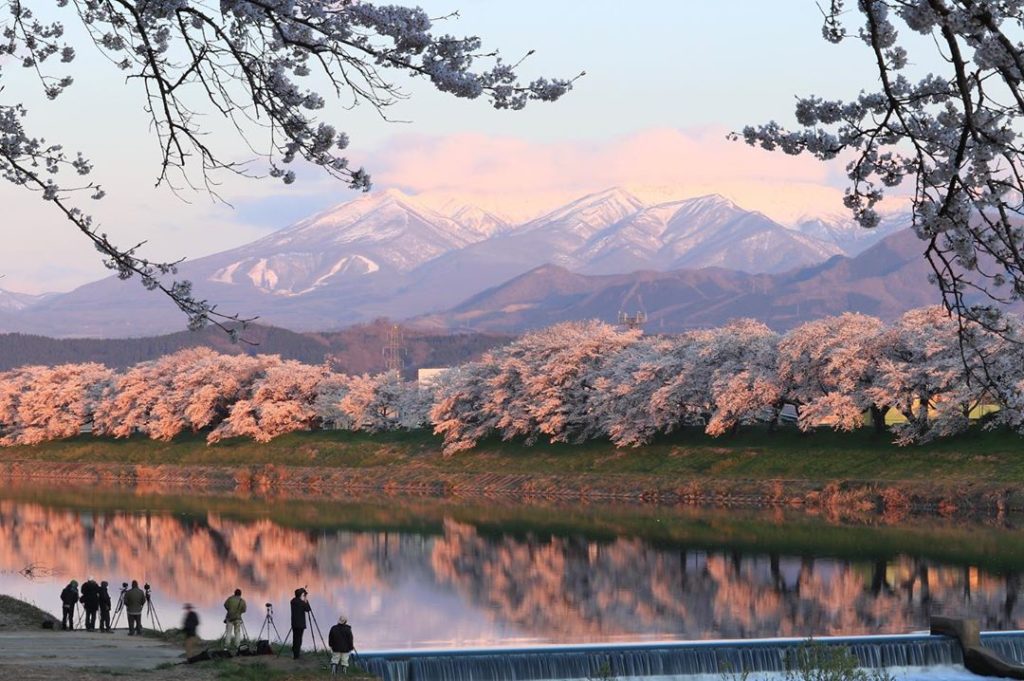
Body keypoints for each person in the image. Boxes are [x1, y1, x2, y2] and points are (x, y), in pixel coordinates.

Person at [289, 588, 311, 660]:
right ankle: (296, 656)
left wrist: (303, 597)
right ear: (300, 595)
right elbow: (308, 609)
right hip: (300, 624)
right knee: (299, 639)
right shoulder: (301, 603)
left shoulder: (292, 601)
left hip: (294, 623)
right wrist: (305, 599)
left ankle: (295, 653)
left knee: (295, 638)